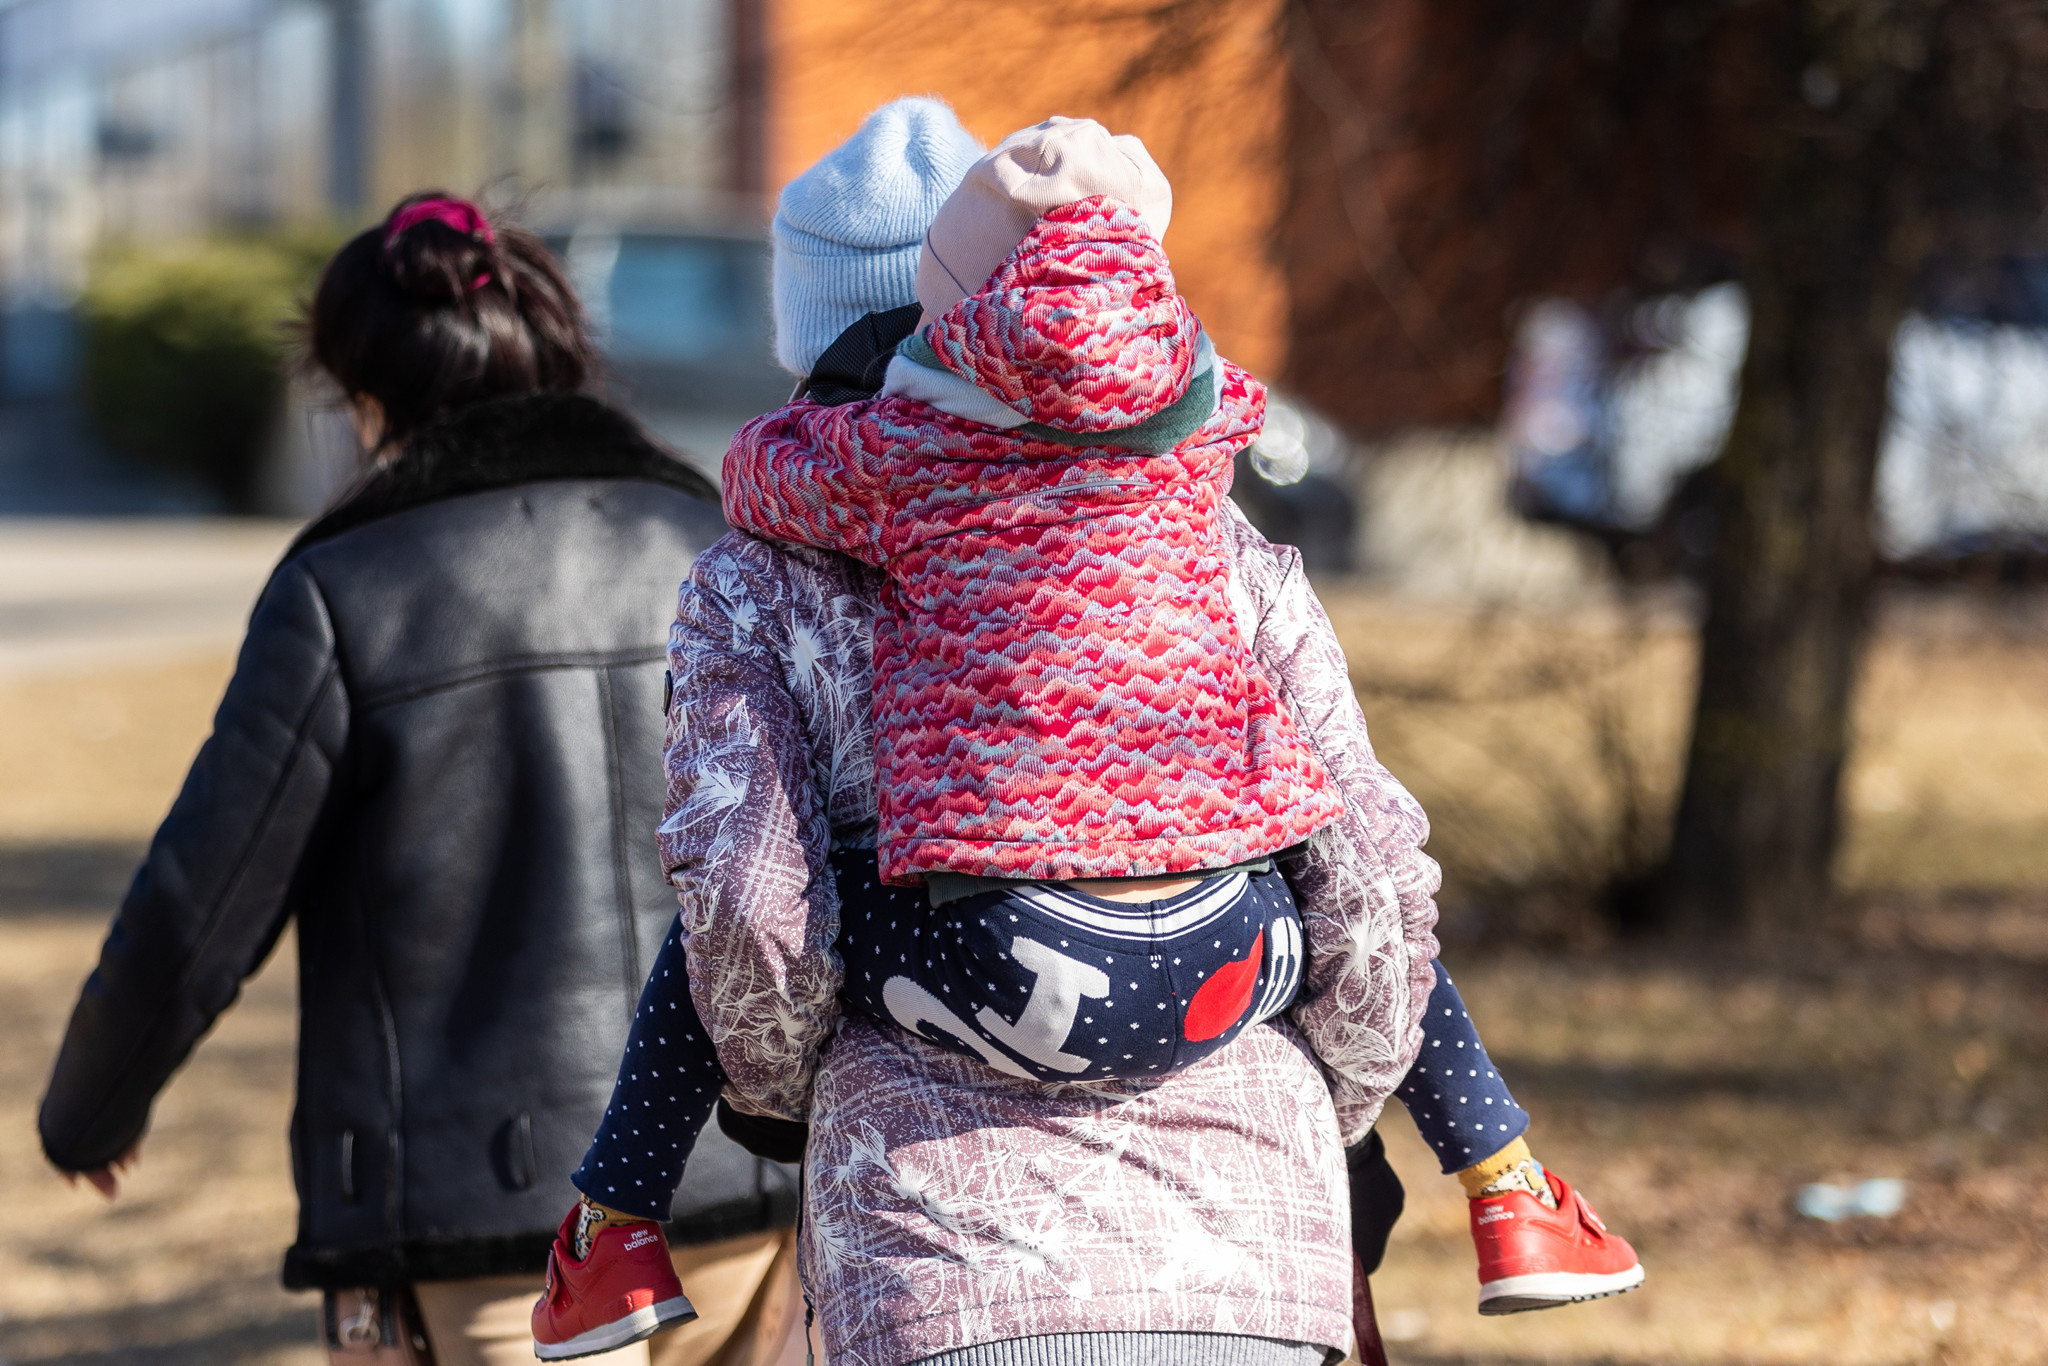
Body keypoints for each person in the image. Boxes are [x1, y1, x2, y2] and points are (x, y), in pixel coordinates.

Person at [38, 192, 801, 1366]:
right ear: (559, 347)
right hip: (745, 1181)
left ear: (364, 395)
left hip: (496, 1230)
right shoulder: (705, 534)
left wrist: (92, 1105)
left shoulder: (345, 588)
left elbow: (202, 899)